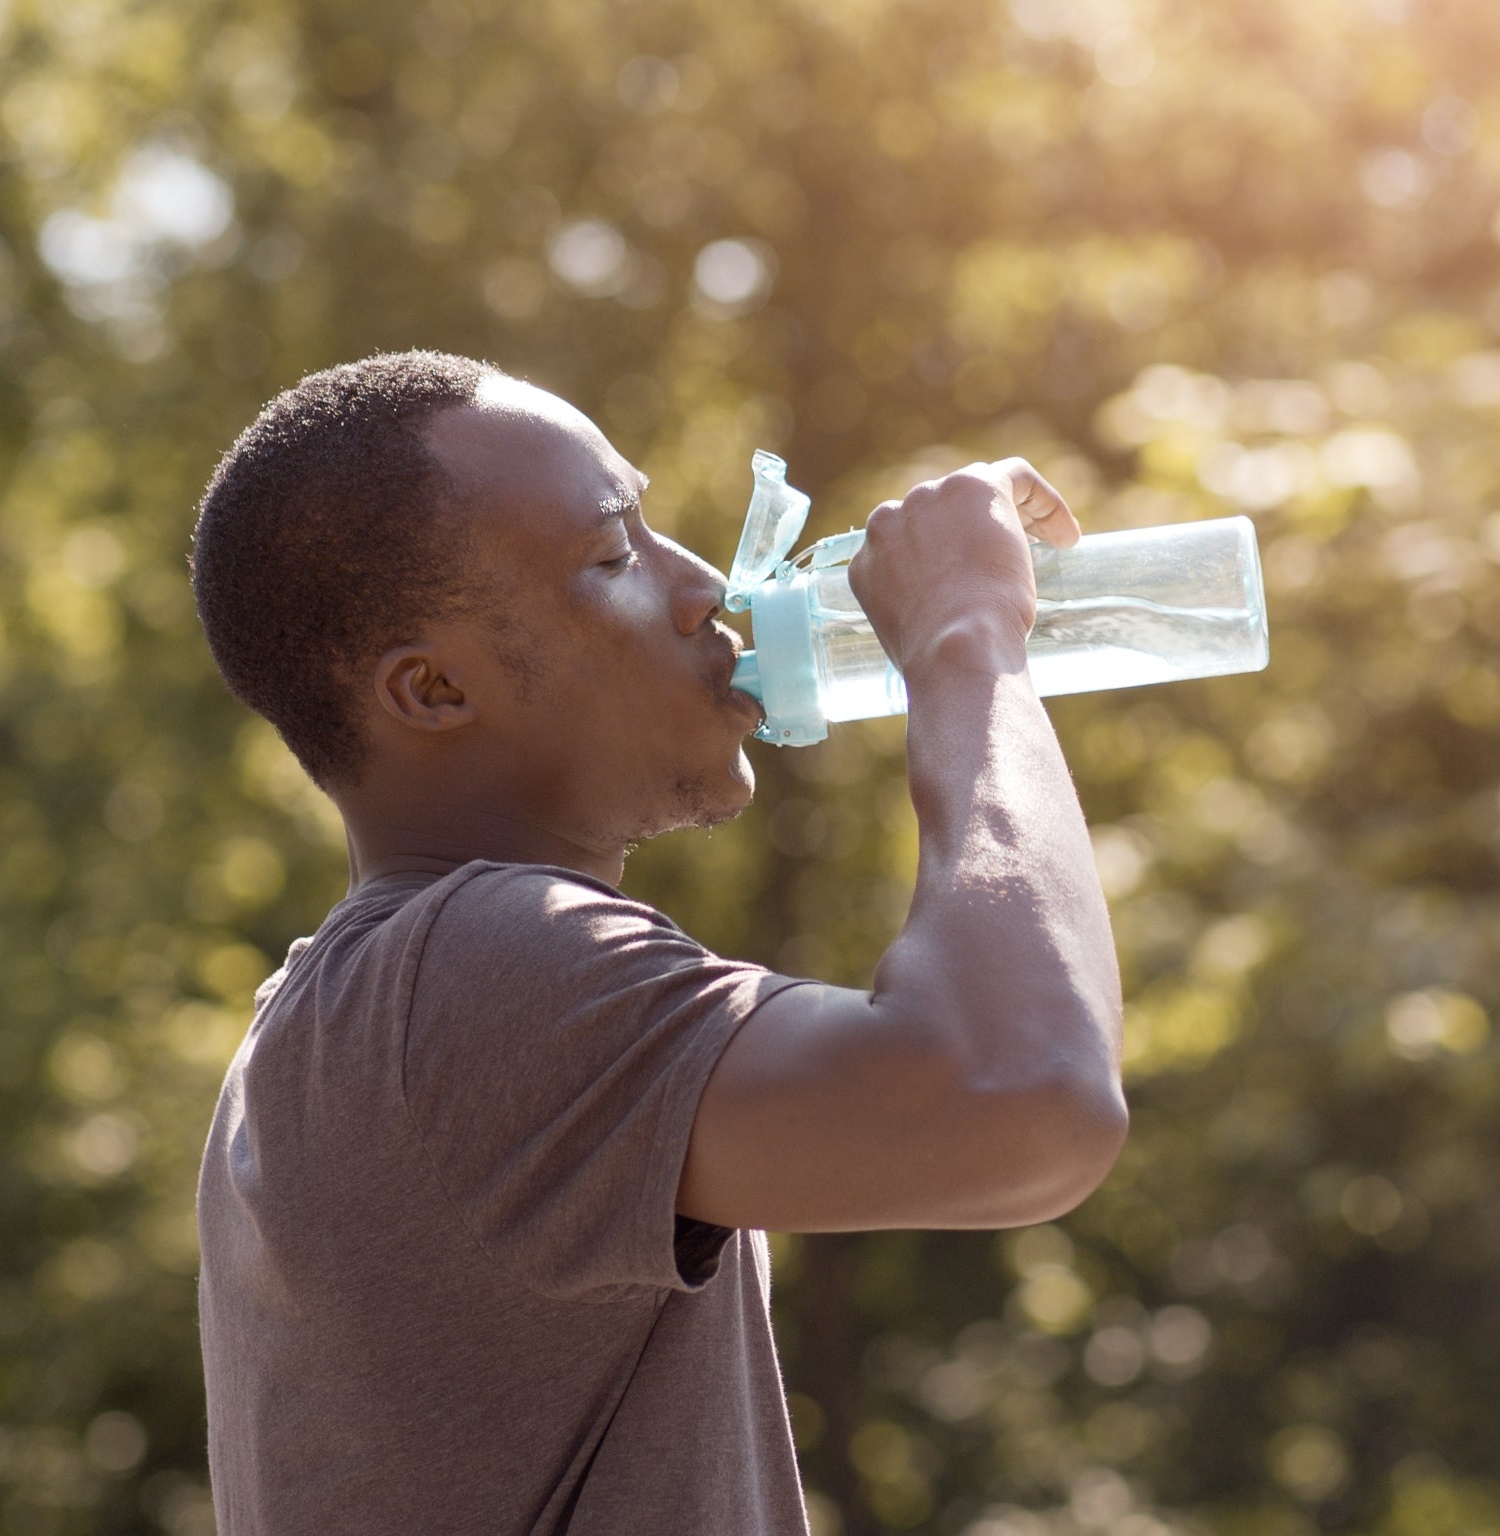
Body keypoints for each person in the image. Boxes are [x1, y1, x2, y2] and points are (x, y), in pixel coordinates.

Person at [187, 349, 1128, 1535]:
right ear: (432, 691)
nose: (702, 588)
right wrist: (967, 641)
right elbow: (1026, 1096)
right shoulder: (470, 971)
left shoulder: (343, 1017)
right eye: (611, 555)